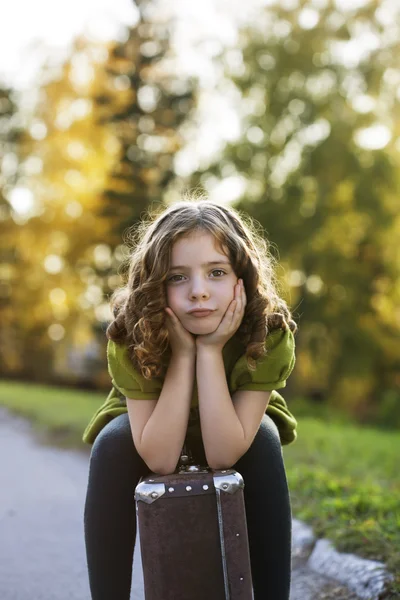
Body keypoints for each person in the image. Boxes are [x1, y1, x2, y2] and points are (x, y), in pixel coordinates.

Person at [83, 196, 298, 600]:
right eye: (178, 277)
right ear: (154, 284)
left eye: (216, 272)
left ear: (242, 278)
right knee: (111, 446)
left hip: (232, 420)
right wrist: (184, 354)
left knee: (264, 441)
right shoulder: (134, 332)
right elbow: (160, 460)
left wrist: (212, 351)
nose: (199, 292)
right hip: (154, 423)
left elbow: (223, 454)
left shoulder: (266, 332)